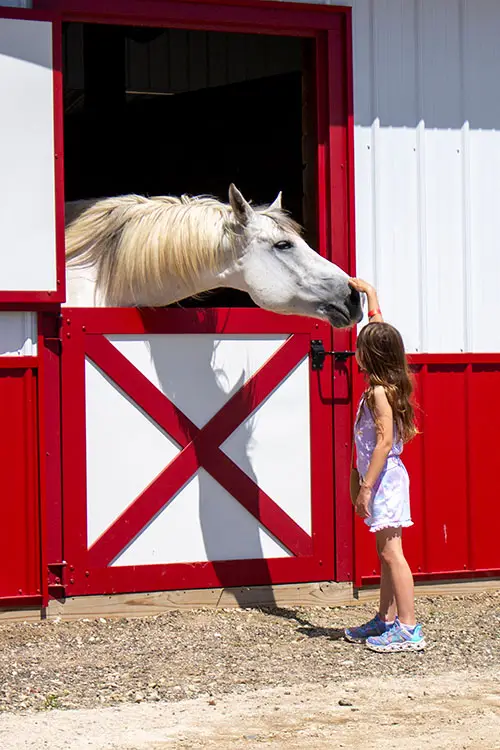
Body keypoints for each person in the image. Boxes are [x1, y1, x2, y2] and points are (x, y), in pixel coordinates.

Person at [344, 278, 425, 653]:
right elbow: (380, 332)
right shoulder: (385, 379)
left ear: (370, 357)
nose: (355, 353)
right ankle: (386, 618)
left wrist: (364, 485)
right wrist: (370, 295)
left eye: (360, 349)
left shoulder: (378, 393)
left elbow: (385, 442)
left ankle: (408, 628)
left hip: (385, 481)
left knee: (393, 553)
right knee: (385, 552)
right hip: (381, 480)